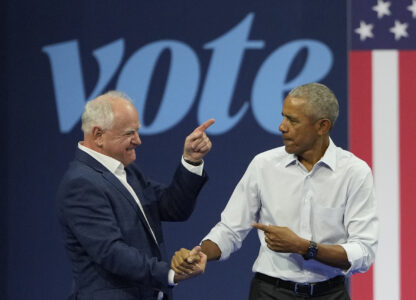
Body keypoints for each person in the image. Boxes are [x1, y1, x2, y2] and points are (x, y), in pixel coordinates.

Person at [172, 83, 378, 299]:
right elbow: (230, 230)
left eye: (293, 120)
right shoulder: (264, 165)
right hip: (270, 293)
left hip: (331, 294)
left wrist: (305, 247)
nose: (282, 127)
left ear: (322, 126)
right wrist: (201, 253)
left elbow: (363, 252)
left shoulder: (355, 172)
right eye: (283, 117)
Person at [56, 90, 213, 300]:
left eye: (137, 131)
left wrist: (191, 161)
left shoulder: (127, 170)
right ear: (98, 135)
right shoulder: (81, 183)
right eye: (129, 133)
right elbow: (111, 252)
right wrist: (171, 272)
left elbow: (173, 208)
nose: (138, 140)